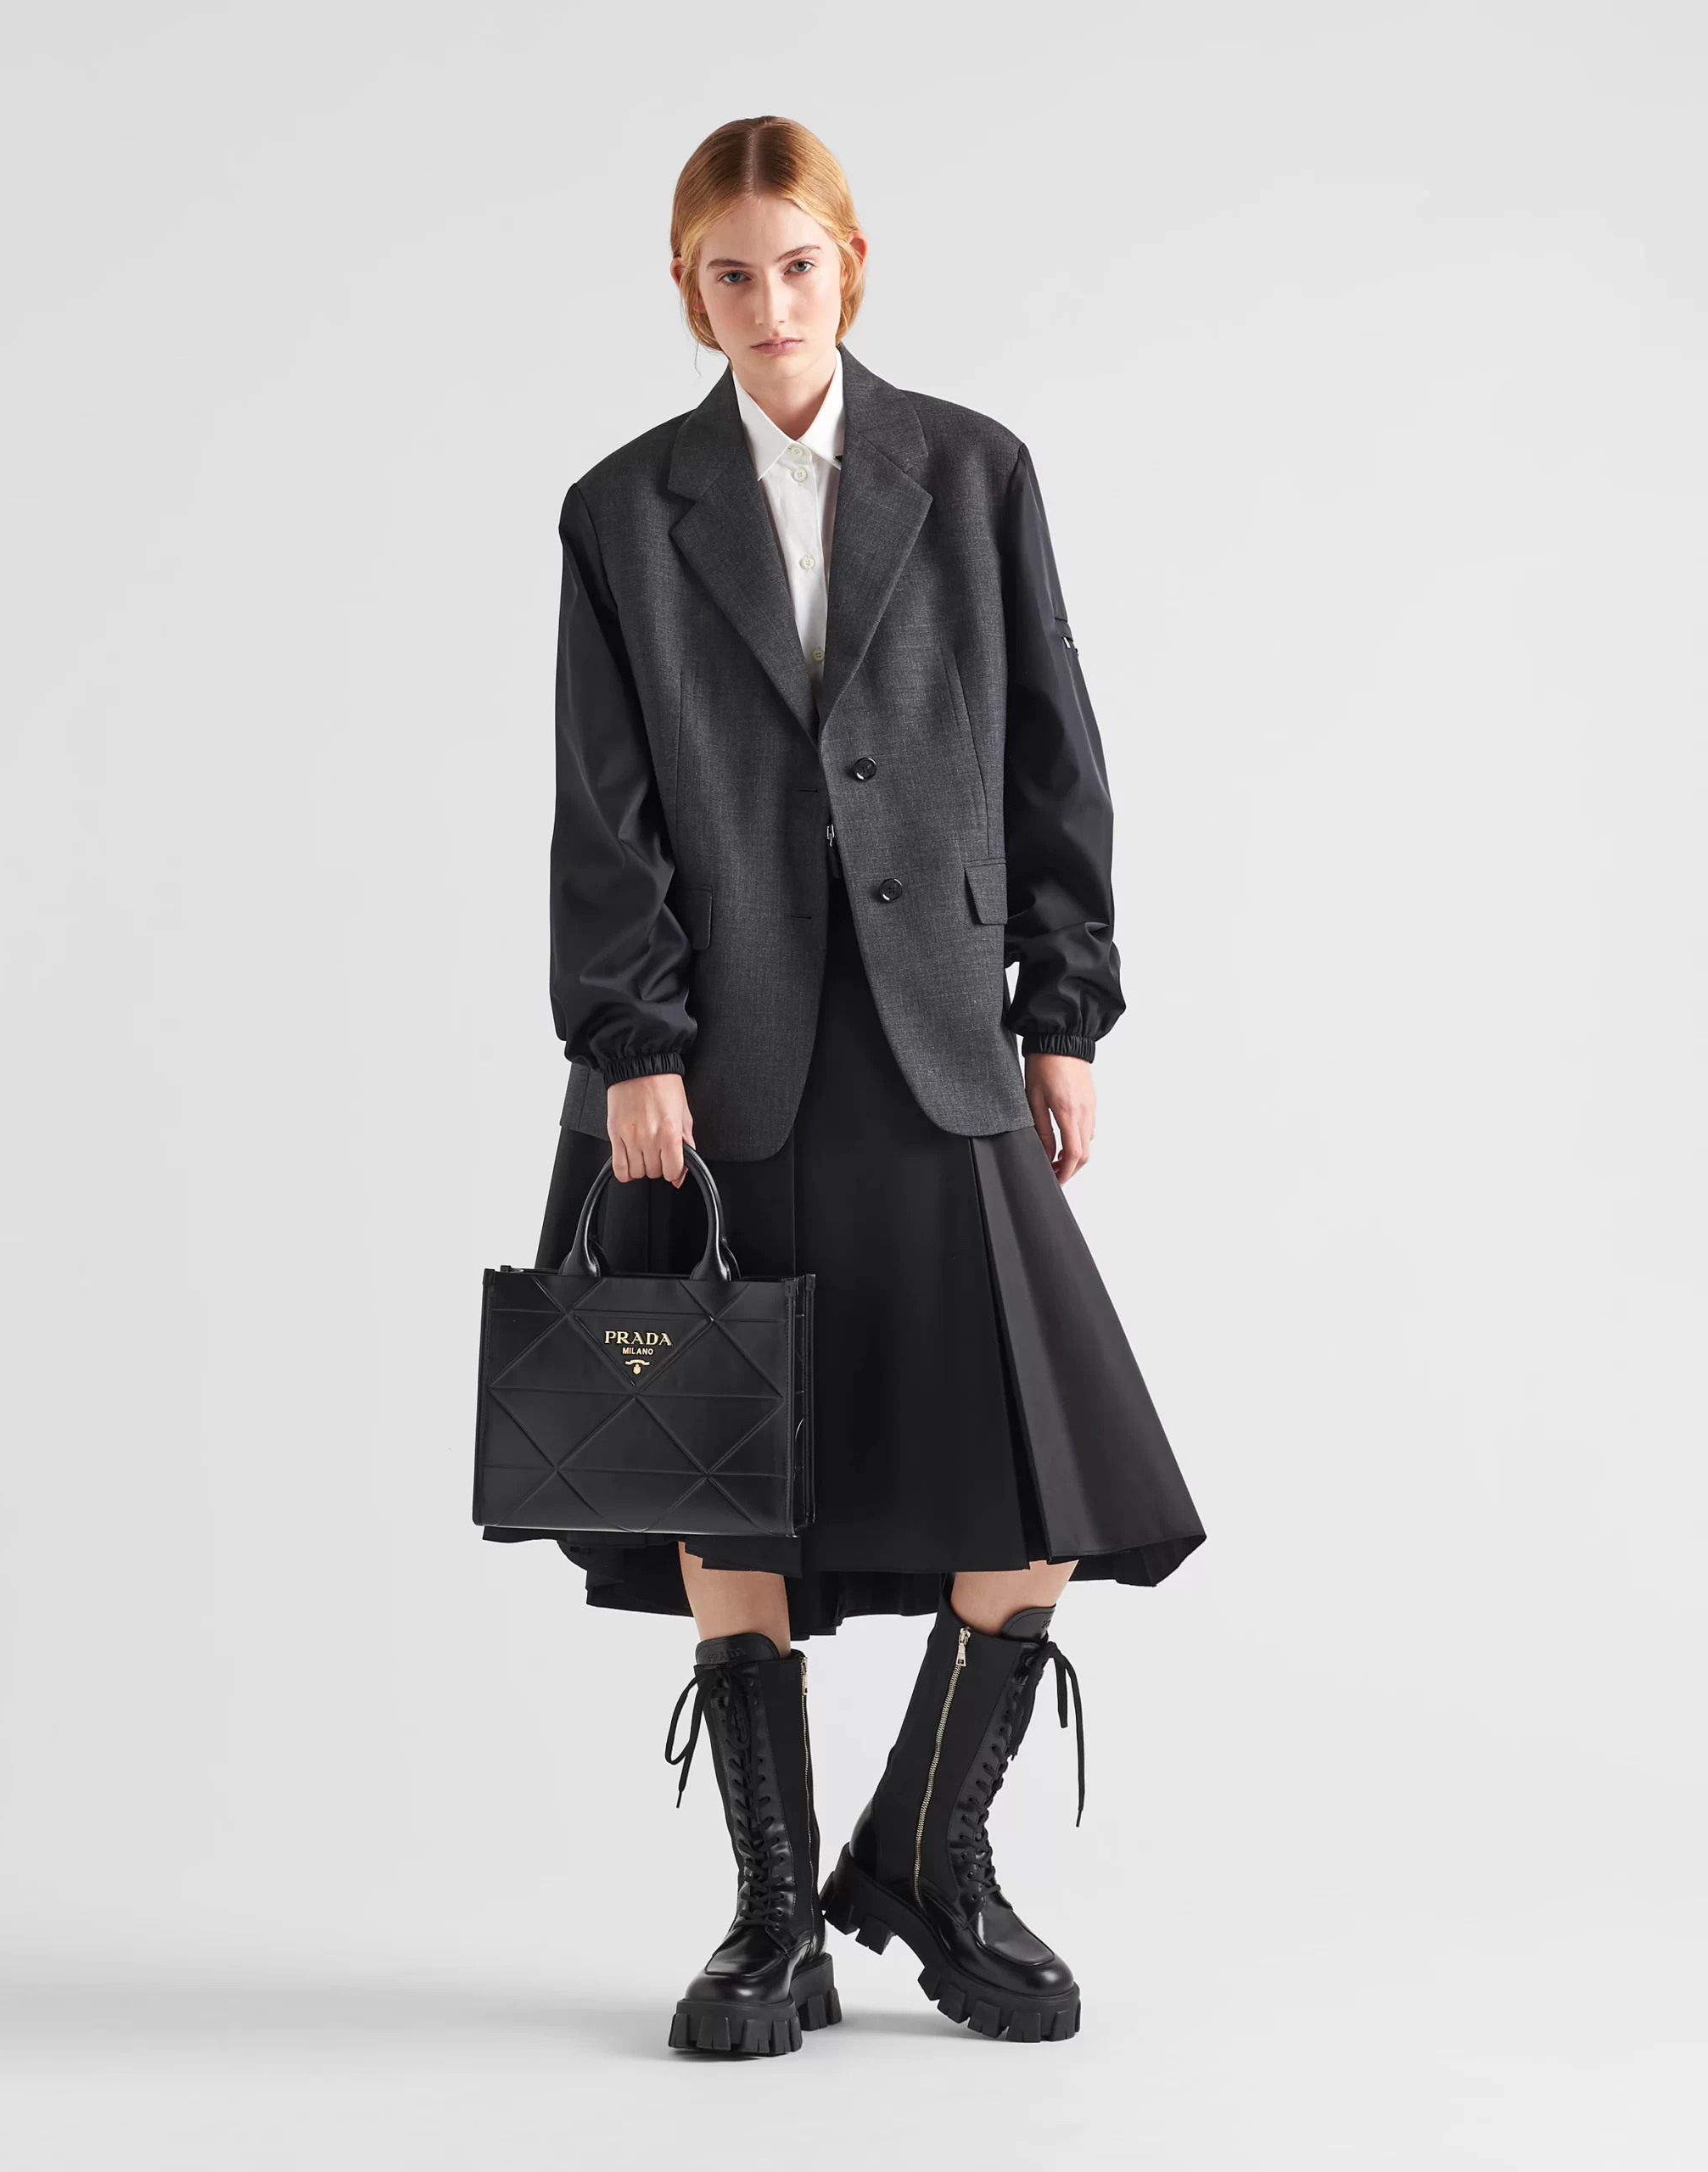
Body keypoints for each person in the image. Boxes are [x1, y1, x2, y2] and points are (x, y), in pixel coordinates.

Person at [485, 115, 1206, 2055]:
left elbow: (1054, 751)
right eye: (730, 273)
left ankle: (928, 1860)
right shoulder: (622, 511)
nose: (769, 301)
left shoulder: (969, 470)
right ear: (686, 290)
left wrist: (1064, 1009)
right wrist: (631, 1044)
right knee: (727, 1462)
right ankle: (772, 1916)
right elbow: (601, 804)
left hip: (936, 1028)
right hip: (719, 1055)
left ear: (851, 266)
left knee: (1043, 1469)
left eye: (796, 265)